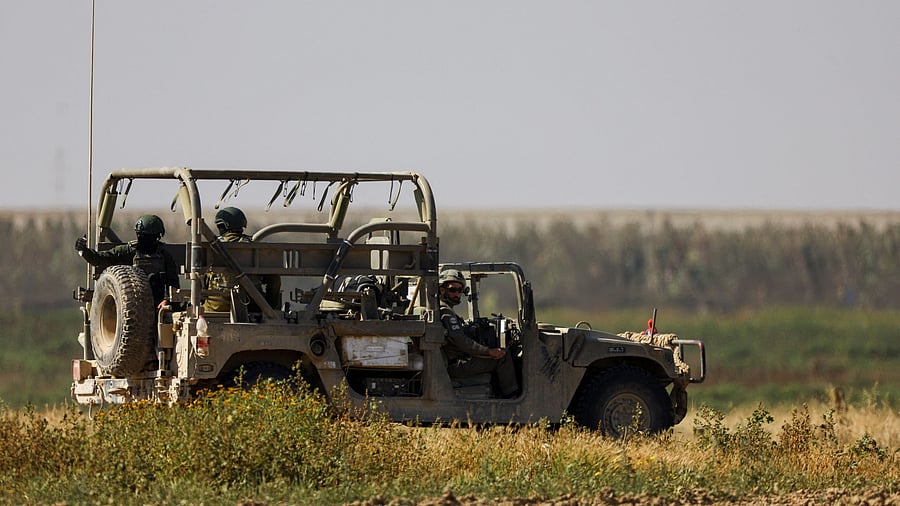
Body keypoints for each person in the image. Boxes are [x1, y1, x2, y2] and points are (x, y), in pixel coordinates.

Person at [438, 268, 518, 398]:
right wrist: (488, 351)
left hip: (457, 360)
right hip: (455, 365)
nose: (457, 294)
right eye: (452, 290)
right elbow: (461, 342)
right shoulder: (446, 313)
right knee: (502, 357)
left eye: (460, 290)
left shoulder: (445, 311)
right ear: (442, 290)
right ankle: (512, 398)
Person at [74, 214, 180, 308]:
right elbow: (101, 259)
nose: (142, 239)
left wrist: (167, 300)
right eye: (140, 235)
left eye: (147, 236)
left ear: (157, 237)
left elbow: (173, 282)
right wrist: (84, 251)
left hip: (159, 305)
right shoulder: (129, 251)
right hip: (131, 306)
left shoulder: (164, 256)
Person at [203, 206, 281, 313]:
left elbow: (202, 280)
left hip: (217, 307)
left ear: (222, 226)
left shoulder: (211, 249)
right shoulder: (256, 248)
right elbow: (274, 280)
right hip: (254, 305)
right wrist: (269, 307)